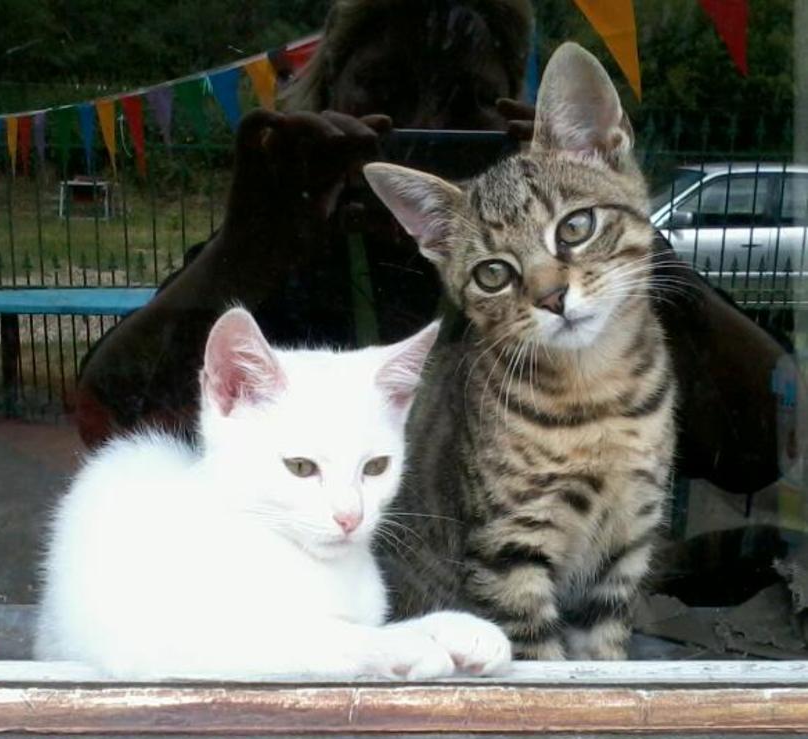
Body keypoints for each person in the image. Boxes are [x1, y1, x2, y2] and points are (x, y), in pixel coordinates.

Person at [76, 0, 790, 497]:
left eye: (467, 100)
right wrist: (244, 250)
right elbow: (108, 429)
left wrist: (596, 211)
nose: (423, 127)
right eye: (384, 92)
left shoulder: (579, 278)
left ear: (515, 116)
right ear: (327, 103)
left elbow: (766, 448)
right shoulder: (285, 256)